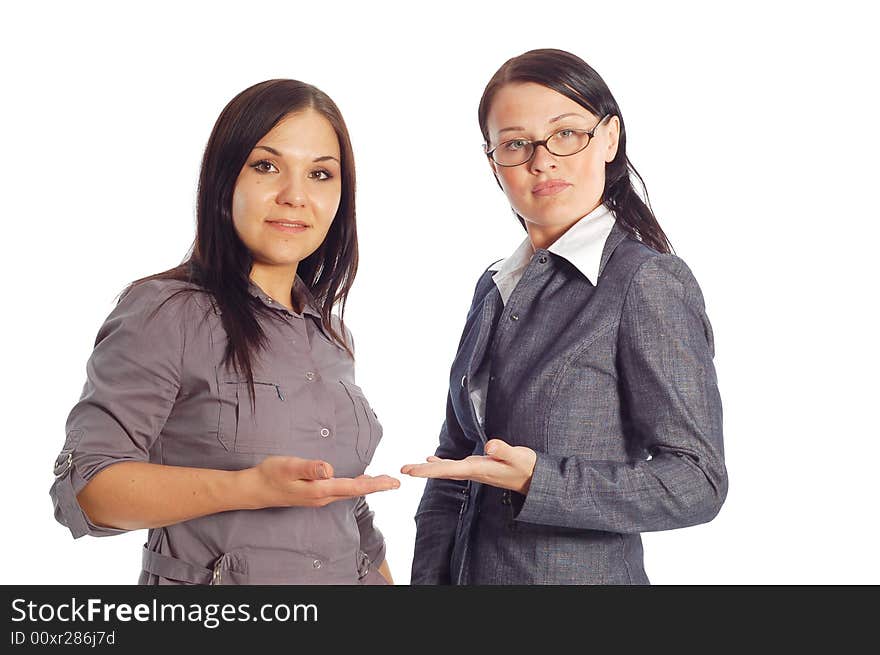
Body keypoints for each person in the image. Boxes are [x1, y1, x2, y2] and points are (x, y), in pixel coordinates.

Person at [50, 79, 399, 585]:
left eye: (320, 174)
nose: (295, 196)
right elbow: (86, 493)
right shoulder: (165, 312)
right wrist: (250, 488)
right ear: (224, 180)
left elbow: (348, 511)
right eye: (266, 166)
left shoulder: (330, 334)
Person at [403, 49, 728, 584]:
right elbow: (453, 465)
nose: (542, 160)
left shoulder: (646, 283)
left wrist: (541, 481)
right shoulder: (493, 287)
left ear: (608, 139)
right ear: (493, 162)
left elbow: (698, 483)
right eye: (515, 144)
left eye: (566, 134)